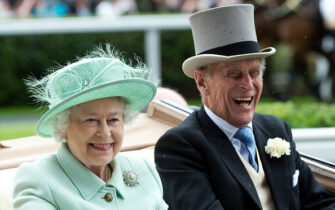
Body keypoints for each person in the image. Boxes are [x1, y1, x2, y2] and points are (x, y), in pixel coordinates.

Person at [154, 4, 335, 210]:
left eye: (255, 73)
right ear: (202, 82)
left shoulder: (275, 129)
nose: (248, 85)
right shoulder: (181, 146)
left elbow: (320, 202)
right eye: (234, 74)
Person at [12, 44, 168, 209]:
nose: (105, 133)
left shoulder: (143, 169)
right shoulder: (39, 180)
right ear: (63, 127)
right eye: (91, 120)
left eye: (113, 120)